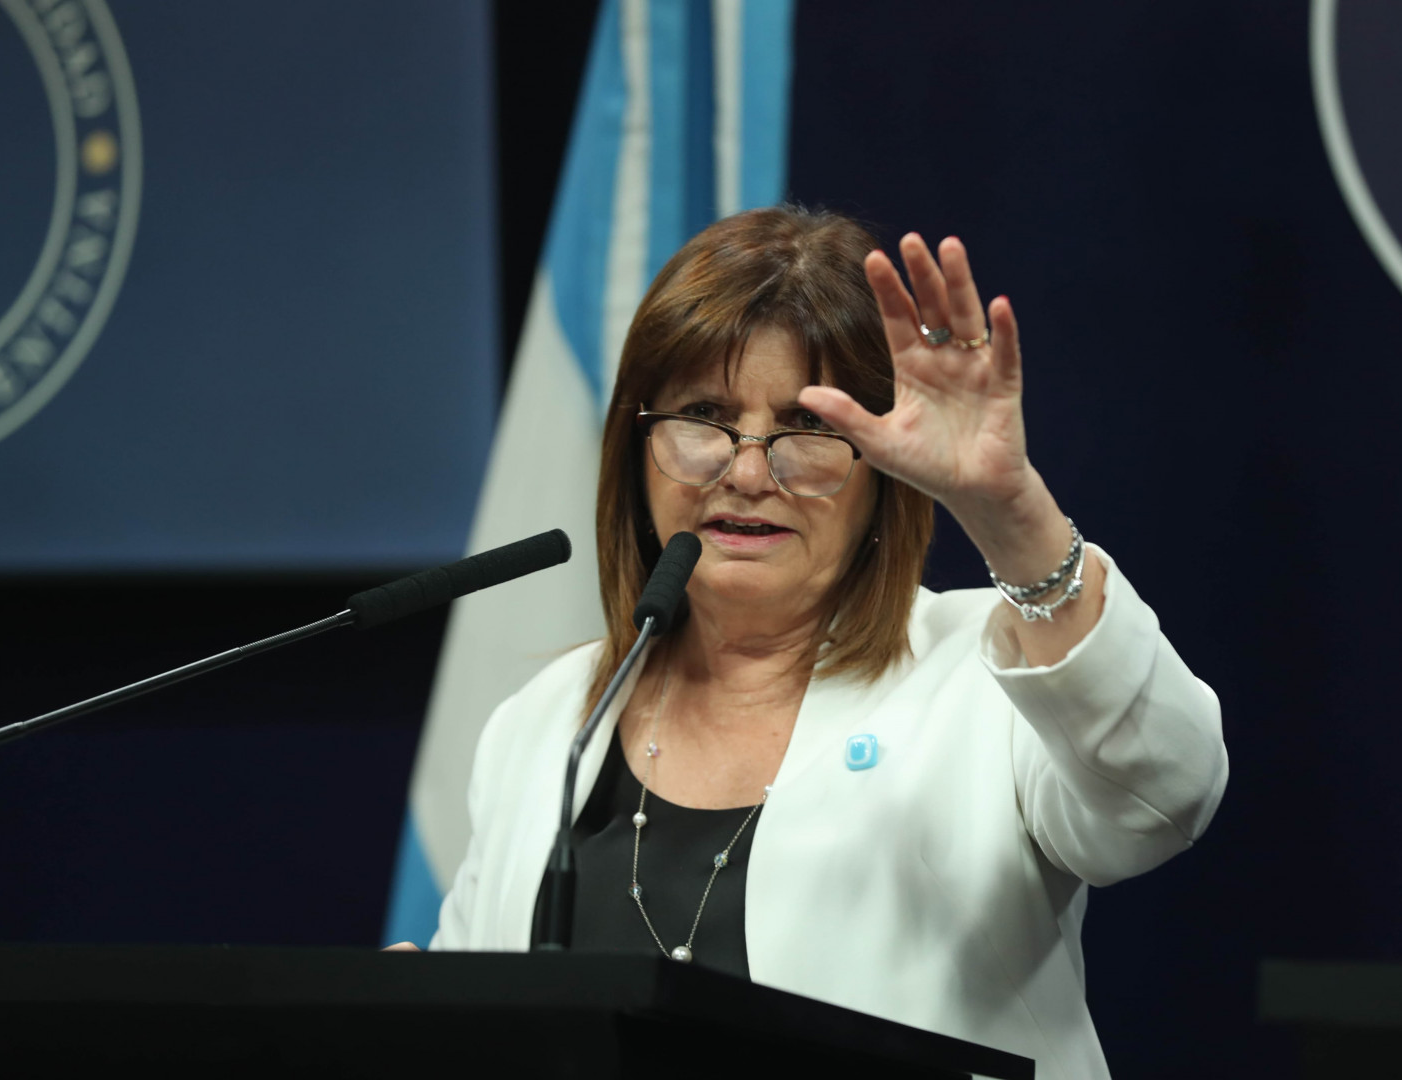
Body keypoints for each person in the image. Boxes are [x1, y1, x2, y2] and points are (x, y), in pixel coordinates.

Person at [424, 206, 1227, 1080]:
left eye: (806, 430)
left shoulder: (981, 681)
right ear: (636, 446)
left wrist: (1012, 514)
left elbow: (1166, 793)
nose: (746, 473)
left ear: (882, 470)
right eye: (703, 415)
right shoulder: (548, 724)